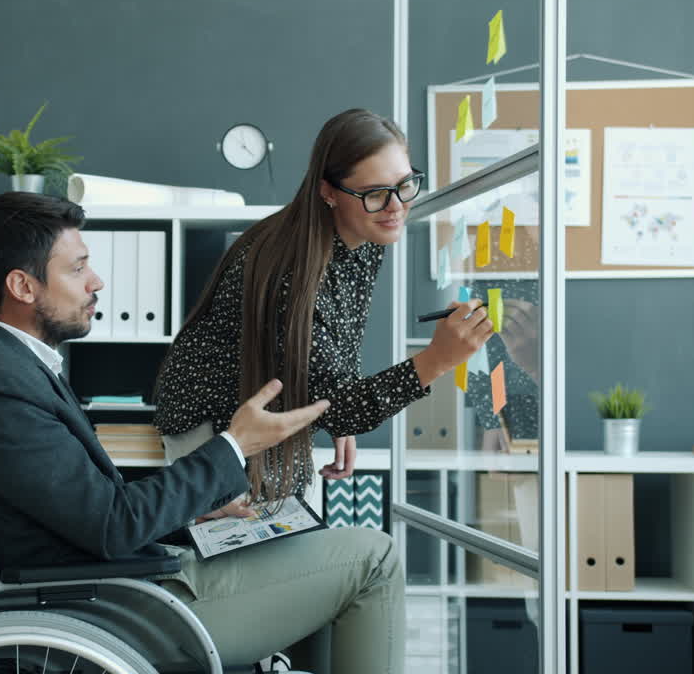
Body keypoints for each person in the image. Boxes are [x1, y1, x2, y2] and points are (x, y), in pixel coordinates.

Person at [0, 191, 406, 672]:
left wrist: (195, 509)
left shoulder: (12, 368)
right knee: (375, 557)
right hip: (121, 611)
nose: (96, 282)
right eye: (77, 269)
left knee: (307, 548)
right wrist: (236, 443)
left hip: (120, 585)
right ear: (22, 286)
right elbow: (111, 525)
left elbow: (89, 509)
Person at [154, 108, 495, 514]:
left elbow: (340, 332)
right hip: (212, 423)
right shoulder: (293, 271)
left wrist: (340, 406)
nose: (396, 206)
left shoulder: (363, 234)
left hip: (267, 410)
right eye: (375, 193)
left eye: (405, 185)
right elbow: (335, 390)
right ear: (329, 192)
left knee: (286, 527)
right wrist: (436, 360)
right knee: (247, 542)